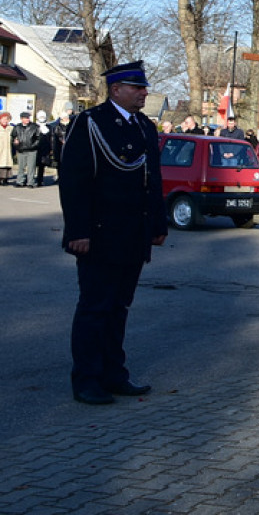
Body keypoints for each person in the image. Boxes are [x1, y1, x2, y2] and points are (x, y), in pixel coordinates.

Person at [59, 60, 167, 404]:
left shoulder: (144, 127)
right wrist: (78, 230)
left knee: (119, 308)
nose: (144, 93)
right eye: (137, 88)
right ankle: (87, 379)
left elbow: (153, 181)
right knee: (95, 307)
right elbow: (74, 182)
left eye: (144, 88)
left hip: (133, 234)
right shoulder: (90, 123)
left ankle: (113, 373)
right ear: (116, 89)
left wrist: (158, 224)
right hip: (100, 234)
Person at [11, 111, 40, 187]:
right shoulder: (17, 127)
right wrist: (15, 142)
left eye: (28, 118)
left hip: (32, 150)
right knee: (21, 167)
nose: (27, 119)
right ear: (21, 119)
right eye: (26, 118)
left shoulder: (35, 127)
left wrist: (33, 146)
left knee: (31, 167)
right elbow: (13, 136)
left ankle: (30, 182)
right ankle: (20, 181)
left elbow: (38, 138)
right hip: (21, 150)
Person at [35, 110, 52, 186]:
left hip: (45, 149)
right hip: (35, 148)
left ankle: (40, 180)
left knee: (42, 165)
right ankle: (30, 179)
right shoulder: (34, 126)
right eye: (40, 117)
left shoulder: (49, 127)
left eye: (43, 117)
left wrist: (51, 148)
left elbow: (51, 138)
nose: (42, 118)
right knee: (33, 165)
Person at [0, 111, 13, 185]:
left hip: (8, 149)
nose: (5, 121)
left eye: (7, 119)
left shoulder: (11, 128)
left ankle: (5, 179)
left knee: (6, 164)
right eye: (3, 119)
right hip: (1, 149)